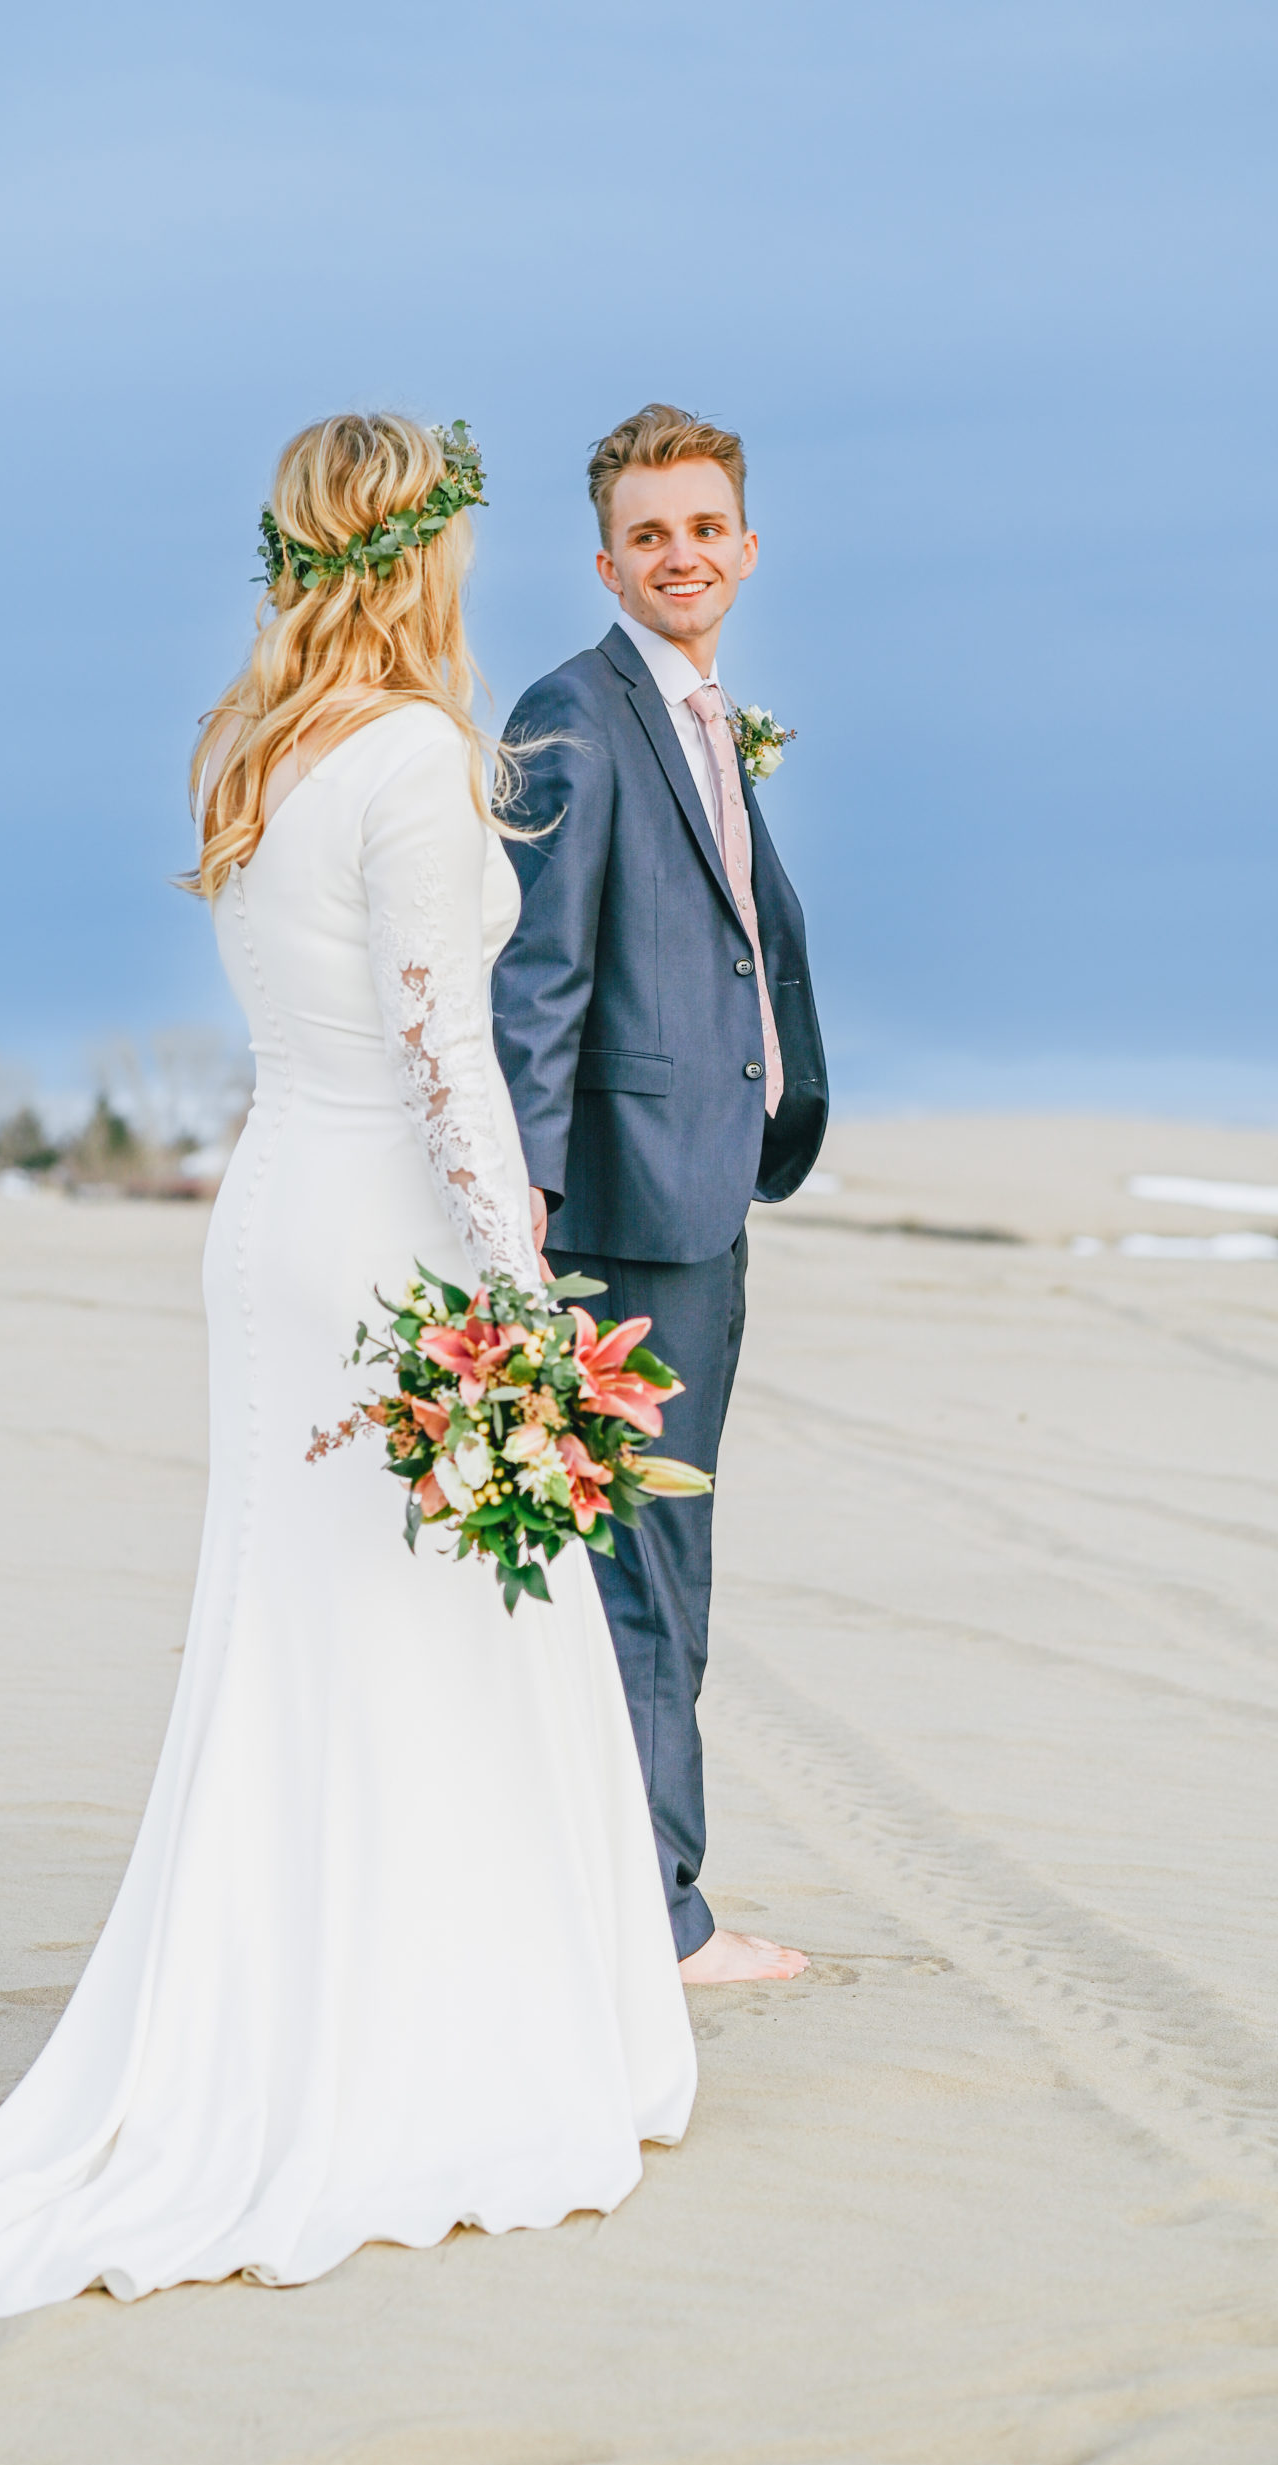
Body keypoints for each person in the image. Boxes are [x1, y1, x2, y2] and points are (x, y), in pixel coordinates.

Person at [0, 414, 696, 2319]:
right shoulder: (405, 755)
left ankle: (330, 2008)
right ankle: (424, 2055)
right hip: (387, 1237)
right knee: (425, 1630)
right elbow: (444, 1054)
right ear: (426, 554)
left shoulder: (258, 749)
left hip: (274, 1221)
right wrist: (529, 1293)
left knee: (313, 1633)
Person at [493, 403, 828, 1986]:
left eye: (705, 528)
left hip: (709, 1189)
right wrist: (530, 1202)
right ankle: (659, 1917)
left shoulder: (703, 713)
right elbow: (537, 977)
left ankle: (624, 1889)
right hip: (624, 1214)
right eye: (650, 533)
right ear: (608, 559)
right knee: (646, 1558)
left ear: (746, 549)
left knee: (656, 1552)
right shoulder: (573, 712)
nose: (680, 554)